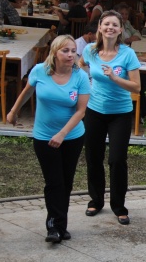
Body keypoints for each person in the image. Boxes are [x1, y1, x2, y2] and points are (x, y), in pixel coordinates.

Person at [6, 36, 90, 243]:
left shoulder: (80, 76)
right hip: (44, 136)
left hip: (71, 137)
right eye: (65, 51)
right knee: (54, 182)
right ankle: (53, 226)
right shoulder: (39, 71)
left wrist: (62, 134)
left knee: (66, 182)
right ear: (55, 53)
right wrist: (14, 111)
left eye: (73, 51)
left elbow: (81, 111)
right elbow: (27, 92)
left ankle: (61, 224)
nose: (70, 55)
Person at [78, 10, 142, 225]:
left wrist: (114, 77)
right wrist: (84, 86)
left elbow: (136, 87)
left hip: (120, 113)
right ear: (99, 27)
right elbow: (79, 66)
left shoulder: (127, 54)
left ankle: (119, 206)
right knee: (93, 157)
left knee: (117, 160)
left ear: (121, 29)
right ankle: (96, 200)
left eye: (115, 25)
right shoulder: (90, 50)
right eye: (106, 24)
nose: (110, 28)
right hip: (94, 111)